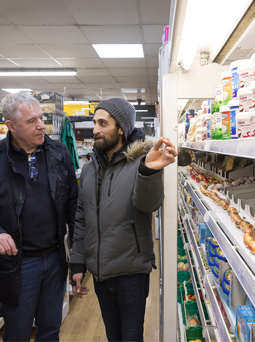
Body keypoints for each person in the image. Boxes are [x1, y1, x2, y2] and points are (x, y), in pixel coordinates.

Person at [70, 98, 189, 341]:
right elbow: (82, 219)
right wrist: (78, 264)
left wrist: (148, 172)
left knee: (132, 336)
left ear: (121, 128)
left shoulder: (142, 163)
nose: (95, 130)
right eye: (95, 123)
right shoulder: (90, 169)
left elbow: (148, 204)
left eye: (103, 123)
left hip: (131, 271)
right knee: (113, 335)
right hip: (101, 272)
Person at [0, 92, 80, 341]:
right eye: (30, 121)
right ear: (11, 126)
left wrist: (78, 258)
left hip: (55, 260)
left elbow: (73, 206)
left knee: (50, 330)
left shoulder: (59, 153)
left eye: (41, 118)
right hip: (16, 264)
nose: (40, 126)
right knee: (17, 332)